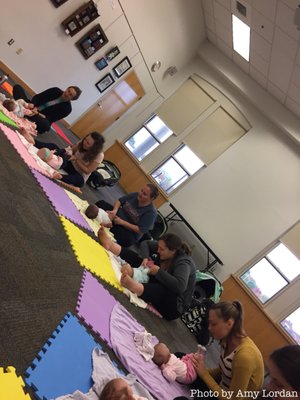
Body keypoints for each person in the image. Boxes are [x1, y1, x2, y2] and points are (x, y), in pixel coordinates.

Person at [98, 231, 196, 320]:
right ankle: (111, 245)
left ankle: (135, 287)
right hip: (159, 283)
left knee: (163, 288)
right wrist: (145, 258)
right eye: (158, 247)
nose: (158, 250)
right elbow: (146, 243)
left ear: (173, 251)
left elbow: (180, 286)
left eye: (161, 249)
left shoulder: (183, 262)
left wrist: (159, 272)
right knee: (143, 262)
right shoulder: (163, 249)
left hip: (173, 307)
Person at [191, 300, 264, 400]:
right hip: (221, 390)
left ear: (229, 323)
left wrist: (203, 374)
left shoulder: (245, 356)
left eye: (213, 324)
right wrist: (195, 369)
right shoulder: (227, 340)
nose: (209, 328)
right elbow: (223, 372)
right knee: (181, 359)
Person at [13, 84, 82, 134]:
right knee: (18, 87)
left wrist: (37, 113)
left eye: (71, 95)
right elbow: (38, 97)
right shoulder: (55, 90)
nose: (67, 94)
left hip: (39, 116)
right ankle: (24, 112)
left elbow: (51, 118)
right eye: (68, 90)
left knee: (45, 126)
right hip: (32, 106)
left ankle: (21, 110)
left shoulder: (67, 109)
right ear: (67, 88)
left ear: (72, 99)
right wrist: (32, 104)